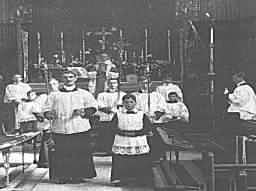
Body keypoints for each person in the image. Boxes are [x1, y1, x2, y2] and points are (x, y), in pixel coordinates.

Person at [43, 69, 98, 183]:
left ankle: (78, 175)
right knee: (61, 153)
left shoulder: (83, 93)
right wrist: (49, 113)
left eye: (71, 77)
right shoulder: (54, 95)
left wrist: (83, 112)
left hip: (79, 127)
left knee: (78, 152)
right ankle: (62, 176)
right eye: (66, 77)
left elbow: (93, 107)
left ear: (75, 78)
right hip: (60, 127)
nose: (68, 79)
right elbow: (46, 108)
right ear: (62, 79)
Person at [111, 94, 153, 186]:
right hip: (122, 139)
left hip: (138, 139)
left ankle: (139, 179)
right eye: (126, 102)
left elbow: (147, 127)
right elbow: (112, 127)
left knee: (139, 159)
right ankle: (121, 179)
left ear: (135, 103)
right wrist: (123, 133)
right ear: (123, 103)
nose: (129, 104)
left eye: (131, 102)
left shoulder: (142, 114)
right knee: (122, 160)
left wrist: (136, 133)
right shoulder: (118, 114)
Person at [95, 78, 126, 153]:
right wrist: (110, 110)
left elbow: (124, 106)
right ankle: (107, 149)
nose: (112, 85)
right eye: (110, 83)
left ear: (117, 84)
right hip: (106, 118)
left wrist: (116, 110)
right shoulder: (102, 95)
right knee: (106, 135)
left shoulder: (122, 94)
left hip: (118, 118)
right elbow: (99, 105)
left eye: (114, 83)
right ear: (107, 84)